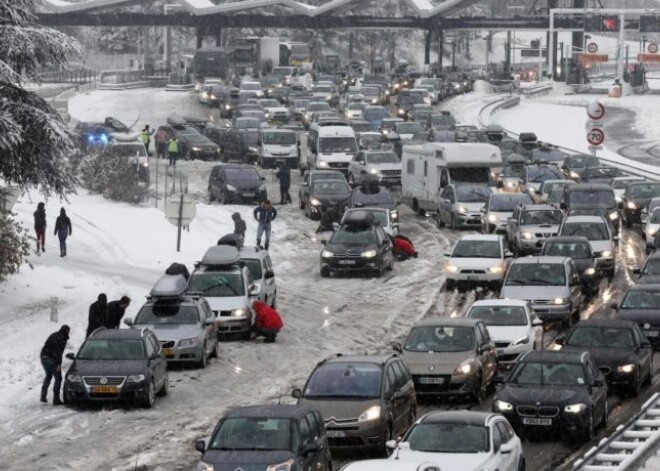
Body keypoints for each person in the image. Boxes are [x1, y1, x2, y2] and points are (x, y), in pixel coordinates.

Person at [40, 324, 70, 405]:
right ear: (65, 331)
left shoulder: (55, 335)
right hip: (51, 359)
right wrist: (58, 364)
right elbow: (58, 352)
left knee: (48, 376)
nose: (68, 333)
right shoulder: (61, 338)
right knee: (58, 378)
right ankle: (56, 399)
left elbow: (48, 346)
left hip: (43, 357)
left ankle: (43, 396)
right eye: (67, 331)